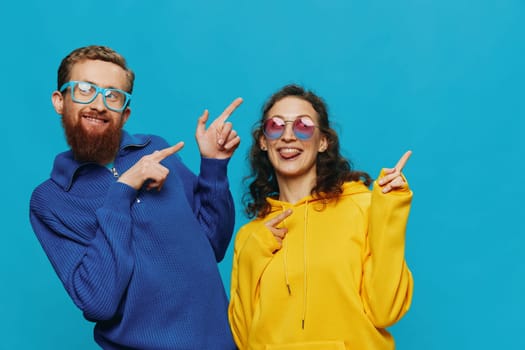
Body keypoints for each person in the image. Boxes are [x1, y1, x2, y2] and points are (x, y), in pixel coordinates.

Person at [29, 45, 241, 349]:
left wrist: (214, 166)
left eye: (112, 96)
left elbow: (213, 244)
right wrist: (123, 191)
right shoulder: (51, 200)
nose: (99, 104)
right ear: (59, 101)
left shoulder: (157, 151)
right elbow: (99, 303)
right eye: (85, 89)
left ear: (125, 113)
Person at [228, 84, 414, 350]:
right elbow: (244, 339)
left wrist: (389, 210)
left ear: (323, 141)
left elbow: (386, 310)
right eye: (276, 126)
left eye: (303, 126)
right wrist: (251, 255)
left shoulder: (362, 207)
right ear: (263, 141)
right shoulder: (251, 236)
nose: (288, 136)